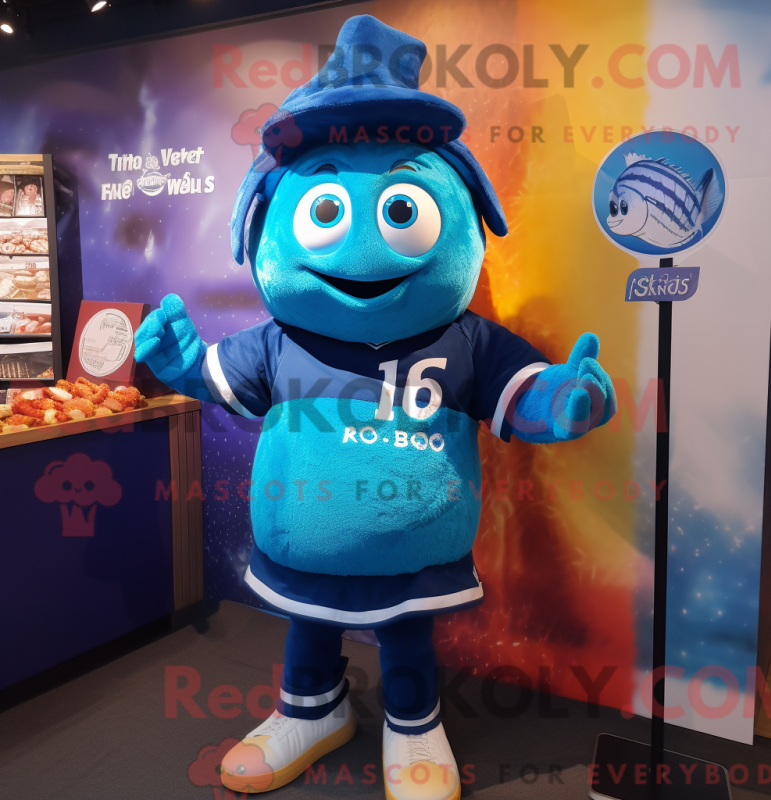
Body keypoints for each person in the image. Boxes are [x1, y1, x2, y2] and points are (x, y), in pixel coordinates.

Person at [135, 15, 616, 799]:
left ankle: (413, 723)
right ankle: (311, 711)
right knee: (309, 625)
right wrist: (183, 365)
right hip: (303, 544)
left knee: (406, 633)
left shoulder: (464, 340)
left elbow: (522, 396)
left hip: (414, 547)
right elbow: (221, 382)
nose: (363, 243)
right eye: (326, 209)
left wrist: (566, 399)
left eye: (400, 209)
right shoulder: (279, 339)